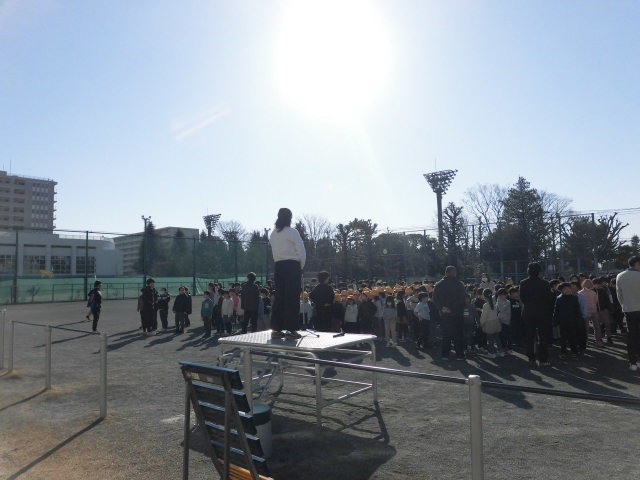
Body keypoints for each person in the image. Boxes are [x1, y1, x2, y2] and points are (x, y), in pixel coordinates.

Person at [269, 207, 306, 339]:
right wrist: (301, 267)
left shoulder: (273, 234)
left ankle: (276, 329)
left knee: (279, 297)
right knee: (292, 298)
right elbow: (301, 251)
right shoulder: (292, 232)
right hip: (292, 266)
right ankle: (291, 330)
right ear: (289, 218)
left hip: (278, 266)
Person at [519, 262, 554, 366]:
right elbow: (549, 298)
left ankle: (531, 358)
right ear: (539, 271)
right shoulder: (545, 283)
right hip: (542, 312)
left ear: (528, 271)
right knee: (543, 336)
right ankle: (543, 359)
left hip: (528, 312)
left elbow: (522, 298)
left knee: (529, 336)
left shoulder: (523, 283)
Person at [432, 266, 467, 360]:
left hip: (445, 314)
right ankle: (459, 354)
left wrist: (442, 308)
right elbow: (462, 299)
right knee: (458, 335)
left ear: (446, 272)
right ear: (454, 273)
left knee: (446, 335)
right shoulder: (459, 284)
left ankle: (445, 355)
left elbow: (435, 298)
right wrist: (452, 308)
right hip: (457, 313)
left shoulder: (439, 284)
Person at [616, 255, 640, 371]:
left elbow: (619, 295)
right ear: (637, 264)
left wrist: (624, 306)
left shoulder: (620, 276)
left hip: (629, 310)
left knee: (632, 336)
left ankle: (633, 362)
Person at [552, 282, 582, 358]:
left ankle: (574, 352)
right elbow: (556, 311)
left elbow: (577, 310)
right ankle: (563, 352)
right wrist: (555, 321)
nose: (567, 290)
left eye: (569, 288)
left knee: (573, 337)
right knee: (563, 338)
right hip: (563, 322)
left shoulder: (574, 298)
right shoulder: (559, 299)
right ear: (561, 290)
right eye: (565, 289)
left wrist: (579, 320)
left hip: (572, 321)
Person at [479, 288, 503, 358]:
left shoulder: (485, 305)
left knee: (490, 339)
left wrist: (481, 323)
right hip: (496, 322)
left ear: (484, 296)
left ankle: (492, 353)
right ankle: (501, 351)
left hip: (489, 324)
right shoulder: (494, 303)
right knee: (497, 338)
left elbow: (484, 316)